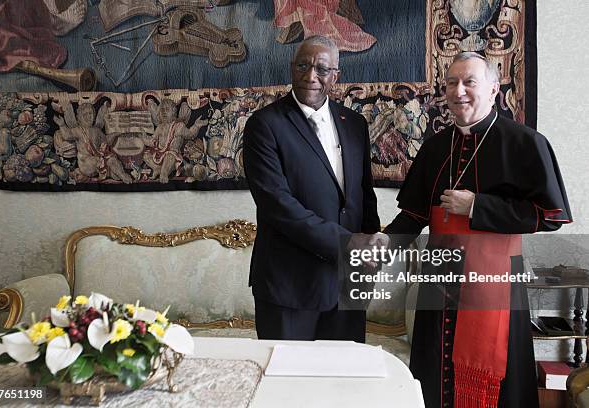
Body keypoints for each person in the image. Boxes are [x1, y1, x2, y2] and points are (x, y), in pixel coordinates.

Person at [383, 52, 572, 408]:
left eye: (469, 82)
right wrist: (383, 243)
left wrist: (477, 206)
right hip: (440, 277)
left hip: (496, 279)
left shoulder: (524, 142)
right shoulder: (435, 147)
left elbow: (550, 214)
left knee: (498, 378)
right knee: (434, 371)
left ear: (493, 88)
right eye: (451, 83)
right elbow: (412, 216)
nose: (459, 91)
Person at [243, 35, 382, 342]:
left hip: (347, 286)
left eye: (321, 68)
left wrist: (369, 254)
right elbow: (277, 205)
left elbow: (363, 195)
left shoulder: (354, 123)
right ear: (292, 68)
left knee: (343, 384)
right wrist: (349, 243)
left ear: (336, 76)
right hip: (289, 288)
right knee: (288, 386)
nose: (310, 76)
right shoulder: (264, 125)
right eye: (303, 66)